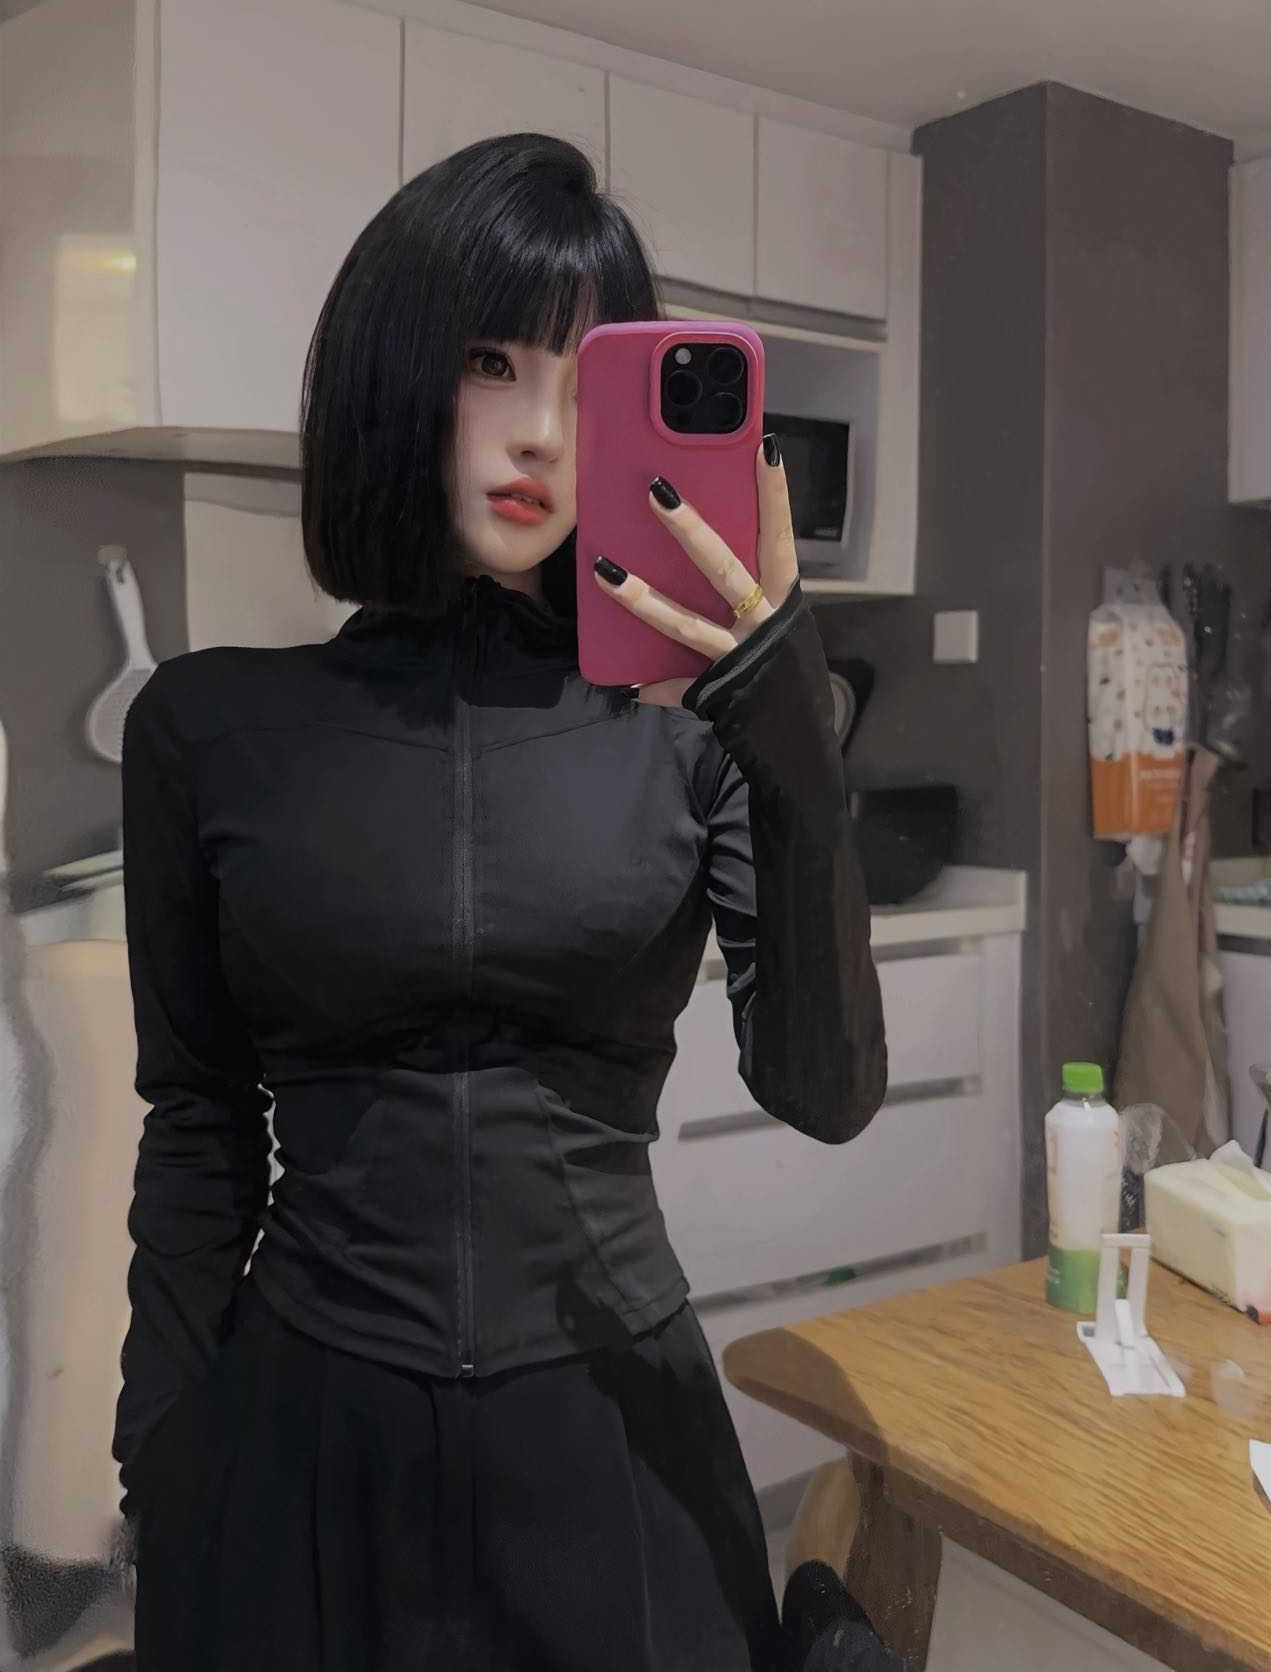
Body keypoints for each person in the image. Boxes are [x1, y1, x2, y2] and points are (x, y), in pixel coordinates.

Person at [110, 132, 888, 1672]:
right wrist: (162, 1451)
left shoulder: (693, 741)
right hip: (304, 1435)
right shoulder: (206, 727)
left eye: (584, 385)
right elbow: (198, 1118)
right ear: (395, 372)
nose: (539, 432)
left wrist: (790, 730)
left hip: (615, 1440)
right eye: (489, 363)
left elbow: (827, 1093)